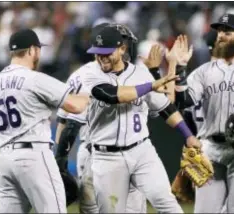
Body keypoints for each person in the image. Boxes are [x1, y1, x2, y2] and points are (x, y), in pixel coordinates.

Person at [82, 25, 201, 213]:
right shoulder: (90, 73)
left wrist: (188, 135)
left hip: (141, 152)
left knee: (168, 203)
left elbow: (165, 108)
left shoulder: (140, 73)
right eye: (97, 52)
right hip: (106, 157)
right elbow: (112, 95)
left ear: (122, 49)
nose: (101, 57)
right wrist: (151, 85)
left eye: (107, 52)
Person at [54, 23, 172, 213]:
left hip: (98, 150)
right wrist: (59, 160)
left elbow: (63, 122)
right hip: (100, 152)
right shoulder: (92, 76)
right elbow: (69, 122)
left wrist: (59, 158)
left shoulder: (82, 73)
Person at [0, 29, 90, 213]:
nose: (39, 53)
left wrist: (3, 158)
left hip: (5, 158)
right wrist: (89, 93)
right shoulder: (34, 79)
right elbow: (75, 106)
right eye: (38, 49)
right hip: (34, 155)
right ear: (32, 50)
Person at [173, 14, 234, 213]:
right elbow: (184, 101)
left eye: (227, 32)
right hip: (210, 148)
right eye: (219, 31)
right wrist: (181, 69)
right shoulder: (204, 71)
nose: (220, 36)